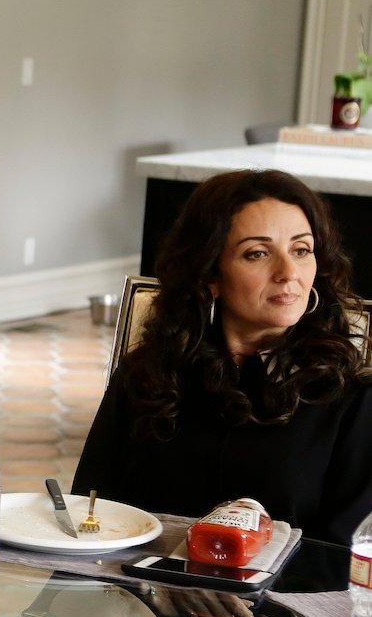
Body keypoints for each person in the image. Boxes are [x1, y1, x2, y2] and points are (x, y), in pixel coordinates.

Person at [74, 168, 372, 544]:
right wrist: (160, 581)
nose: (288, 272)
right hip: (137, 592)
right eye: (257, 253)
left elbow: (347, 556)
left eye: (301, 250)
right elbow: (89, 512)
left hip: (280, 601)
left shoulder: (351, 397)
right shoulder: (148, 374)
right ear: (210, 274)